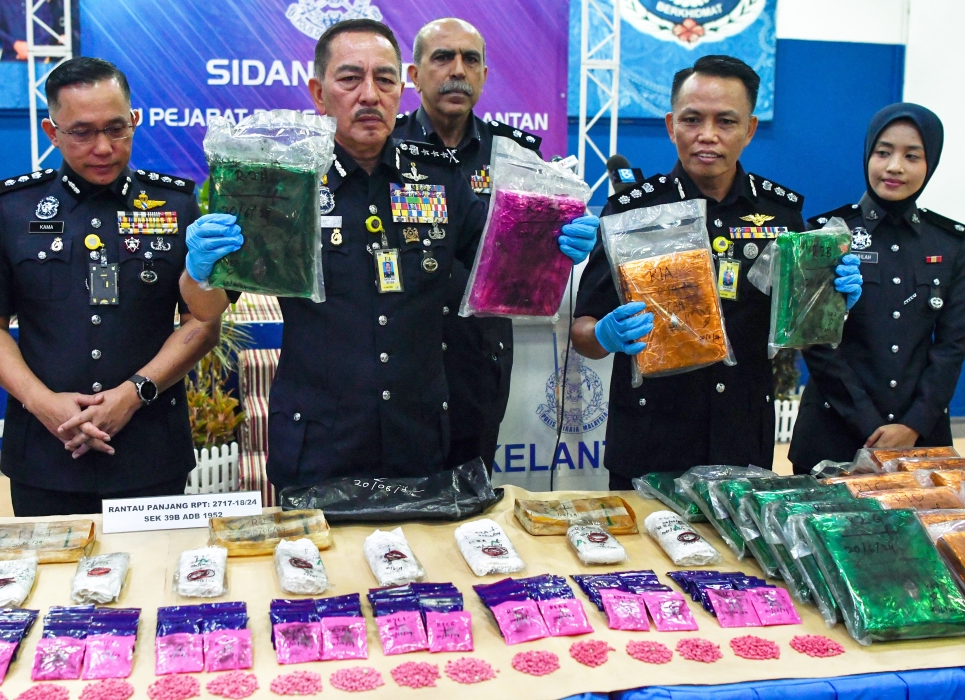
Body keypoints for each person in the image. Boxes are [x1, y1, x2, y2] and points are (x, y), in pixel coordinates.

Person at [178, 18, 598, 491]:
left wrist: (549, 243)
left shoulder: (439, 179)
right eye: (350, 78)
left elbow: (504, 273)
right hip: (319, 440)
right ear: (319, 92)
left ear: (402, 89)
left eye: (384, 79)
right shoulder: (282, 184)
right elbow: (206, 307)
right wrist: (201, 271)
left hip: (419, 440)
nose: (369, 95)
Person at [571, 55, 863, 489]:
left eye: (726, 121)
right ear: (671, 125)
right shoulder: (632, 211)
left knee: (737, 558)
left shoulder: (779, 213)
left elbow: (806, 333)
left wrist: (831, 304)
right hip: (650, 439)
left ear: (749, 129)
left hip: (742, 438)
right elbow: (583, 332)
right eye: (692, 119)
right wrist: (604, 336)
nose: (707, 136)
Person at [0, 57, 220, 516]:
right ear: (52, 132)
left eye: (116, 128)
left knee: (154, 582)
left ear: (135, 121)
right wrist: (42, 403)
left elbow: (202, 321)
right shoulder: (14, 209)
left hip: (149, 448)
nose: (103, 147)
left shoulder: (176, 204)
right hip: (45, 451)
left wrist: (133, 394)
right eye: (82, 132)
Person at [393, 18, 542, 472]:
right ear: (414, 75)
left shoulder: (516, 157)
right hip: (399, 364)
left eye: (470, 59)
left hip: (479, 362)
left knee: (470, 514)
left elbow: (530, 270)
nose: (457, 70)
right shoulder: (385, 149)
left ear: (483, 75)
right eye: (442, 58)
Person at [789, 104, 965, 472]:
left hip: (920, 435)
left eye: (911, 156)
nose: (894, 167)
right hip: (833, 430)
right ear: (868, 154)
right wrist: (871, 427)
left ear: (929, 163)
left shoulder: (951, 244)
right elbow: (817, 345)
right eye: (883, 152)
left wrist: (914, 423)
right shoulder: (827, 235)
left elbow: (952, 346)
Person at [0, 0, 66, 61]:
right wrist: (15, 44)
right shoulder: (3, 1)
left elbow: (48, 25)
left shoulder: (41, 2)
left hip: (40, 58)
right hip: (11, 58)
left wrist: (33, 48)